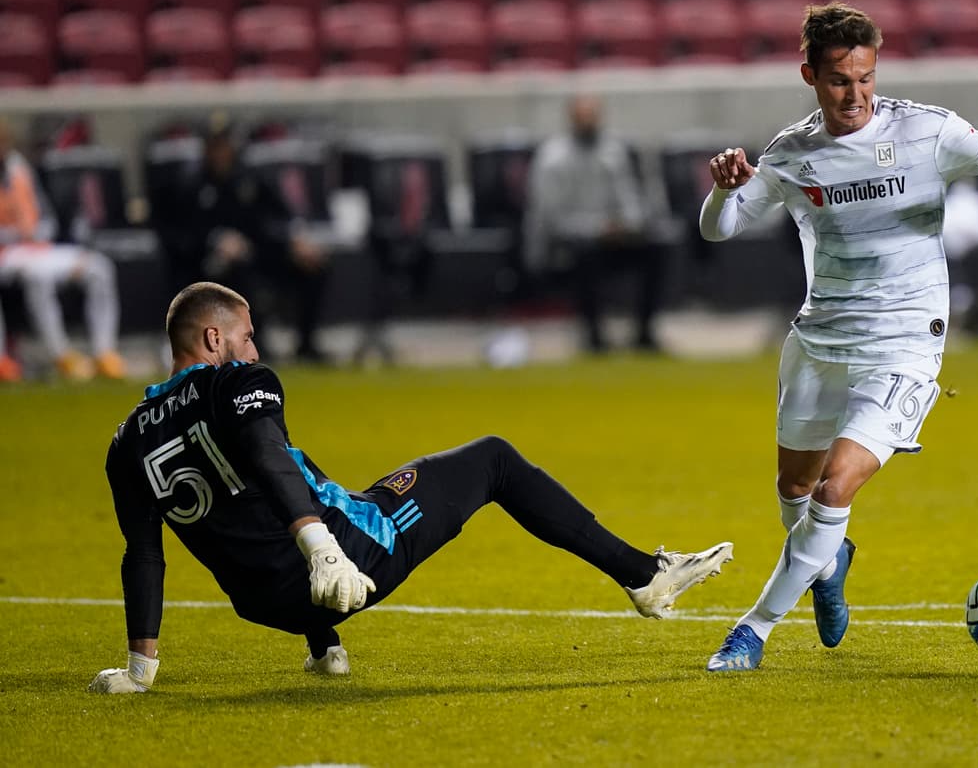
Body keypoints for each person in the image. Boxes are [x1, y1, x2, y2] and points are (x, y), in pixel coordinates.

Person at [89, 281, 732, 693]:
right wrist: (322, 549)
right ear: (213, 339)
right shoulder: (235, 380)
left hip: (264, 603)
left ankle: (324, 648)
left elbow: (143, 552)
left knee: (292, 495)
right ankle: (645, 576)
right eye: (246, 335)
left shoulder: (127, 440)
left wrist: (140, 666)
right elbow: (267, 460)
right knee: (493, 459)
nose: (254, 347)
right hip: (346, 559)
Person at [697, 2, 978, 671]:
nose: (855, 93)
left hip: (906, 341)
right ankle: (829, 566)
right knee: (794, 492)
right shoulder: (793, 152)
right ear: (810, 75)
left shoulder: (925, 130)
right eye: (838, 80)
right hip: (821, 339)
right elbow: (720, 227)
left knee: (834, 490)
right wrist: (721, 193)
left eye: (865, 77)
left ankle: (752, 630)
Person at [163, 115, 329, 363]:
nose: (220, 152)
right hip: (209, 264)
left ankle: (306, 342)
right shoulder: (191, 184)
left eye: (224, 145)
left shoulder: (250, 178)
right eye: (214, 145)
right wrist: (215, 240)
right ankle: (254, 345)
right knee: (237, 272)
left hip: (257, 252)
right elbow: (177, 234)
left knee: (313, 267)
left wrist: (294, 239)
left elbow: (277, 216)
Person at [524, 95, 665, 354]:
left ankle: (644, 333)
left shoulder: (612, 151)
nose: (588, 122)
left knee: (655, 247)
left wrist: (630, 224)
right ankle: (594, 338)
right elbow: (552, 218)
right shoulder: (552, 158)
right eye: (583, 117)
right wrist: (599, 228)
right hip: (571, 242)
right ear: (572, 119)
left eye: (592, 116)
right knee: (585, 253)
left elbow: (628, 196)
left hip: (613, 238)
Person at [0, 117, 124, 381]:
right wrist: (14, 234)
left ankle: (105, 352)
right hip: (7, 253)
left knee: (99, 268)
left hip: (38, 246)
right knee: (38, 276)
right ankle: (61, 355)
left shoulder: (18, 168)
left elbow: (45, 217)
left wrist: (36, 232)